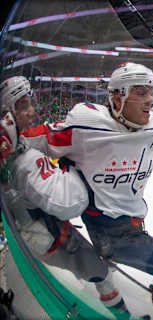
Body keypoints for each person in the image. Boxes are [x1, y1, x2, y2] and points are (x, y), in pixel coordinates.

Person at [21, 63, 153, 311]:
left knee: (114, 268)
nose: (150, 100)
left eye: (151, 92)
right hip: (110, 232)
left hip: (129, 223)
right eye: (141, 92)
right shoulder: (86, 126)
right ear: (117, 97)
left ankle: (111, 275)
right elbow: (38, 140)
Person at [0, 76, 143, 318]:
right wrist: (74, 171)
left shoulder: (18, 149)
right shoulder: (23, 164)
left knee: (99, 270)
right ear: (7, 113)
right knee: (101, 273)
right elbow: (70, 204)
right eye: (23, 106)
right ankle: (124, 317)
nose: (31, 112)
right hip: (51, 238)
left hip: (47, 230)